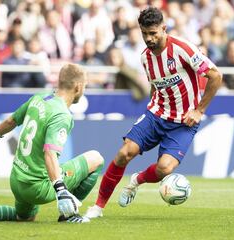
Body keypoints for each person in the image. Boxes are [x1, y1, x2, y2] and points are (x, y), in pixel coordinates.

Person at [84, 7, 222, 219]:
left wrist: (199, 110)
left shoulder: (183, 49)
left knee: (165, 168)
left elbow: (215, 76)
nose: (148, 38)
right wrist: (153, 105)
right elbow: (154, 85)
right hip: (156, 115)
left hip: (184, 122)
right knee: (123, 153)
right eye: (144, 34)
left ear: (164, 29)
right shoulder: (145, 58)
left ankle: (135, 181)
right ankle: (98, 207)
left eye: (153, 33)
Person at [0, 63, 104, 223]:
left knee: (24, 217)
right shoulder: (62, 115)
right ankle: (69, 214)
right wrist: (60, 190)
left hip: (16, 180)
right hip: (37, 188)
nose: (84, 90)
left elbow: (11, 120)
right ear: (77, 87)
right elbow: (50, 153)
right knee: (96, 158)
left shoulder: (39, 98)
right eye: (85, 86)